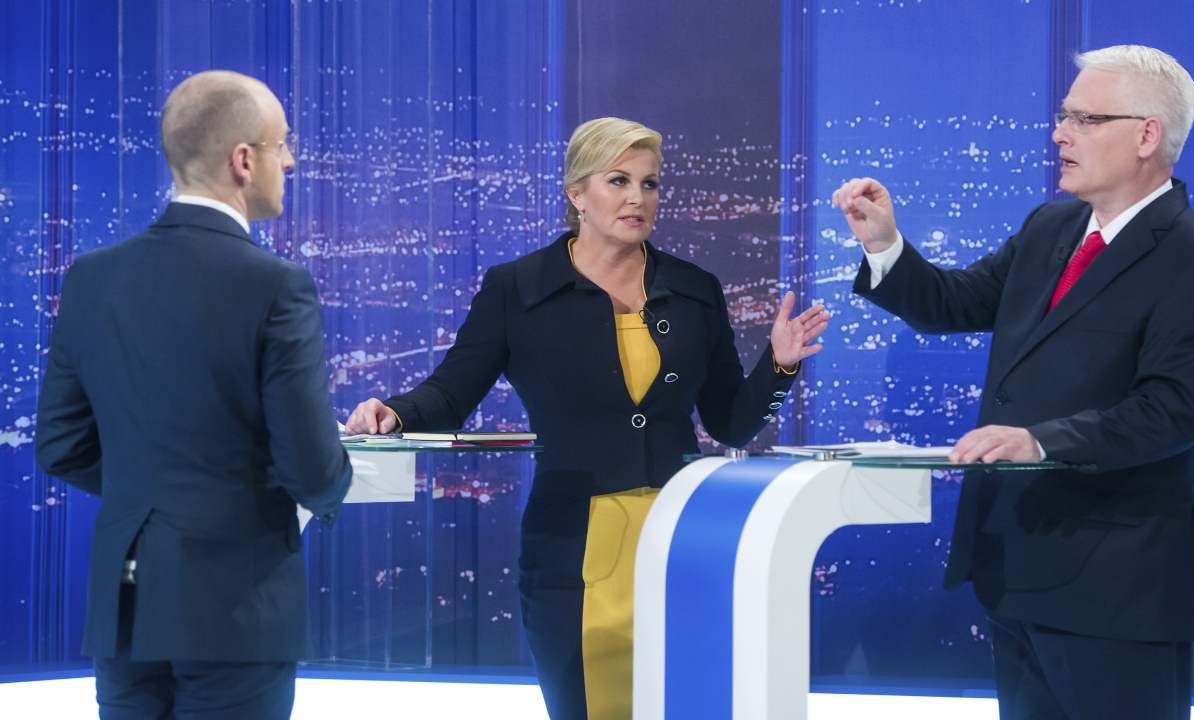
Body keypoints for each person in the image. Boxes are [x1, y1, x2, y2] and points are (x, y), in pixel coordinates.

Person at [346, 116, 830, 719]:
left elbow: (731, 423)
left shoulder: (694, 289)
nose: (638, 198)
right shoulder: (519, 289)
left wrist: (779, 366)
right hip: (571, 550)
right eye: (618, 180)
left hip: (682, 542)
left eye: (650, 183)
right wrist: (393, 412)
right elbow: (450, 392)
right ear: (577, 193)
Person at [833, 45, 1194, 719]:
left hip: (1116, 590)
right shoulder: (1049, 226)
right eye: (1063, 116)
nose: (1060, 134)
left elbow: (1167, 413)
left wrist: (1040, 441)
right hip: (1016, 569)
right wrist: (884, 244)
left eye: (1085, 119)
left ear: (1147, 135)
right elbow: (953, 303)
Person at [35, 70, 352, 719]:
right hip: (235, 609)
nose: (291, 162)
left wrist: (150, 490)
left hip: (124, 609)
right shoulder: (276, 286)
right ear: (244, 160)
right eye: (282, 144)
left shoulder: (91, 278)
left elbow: (61, 445)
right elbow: (313, 470)